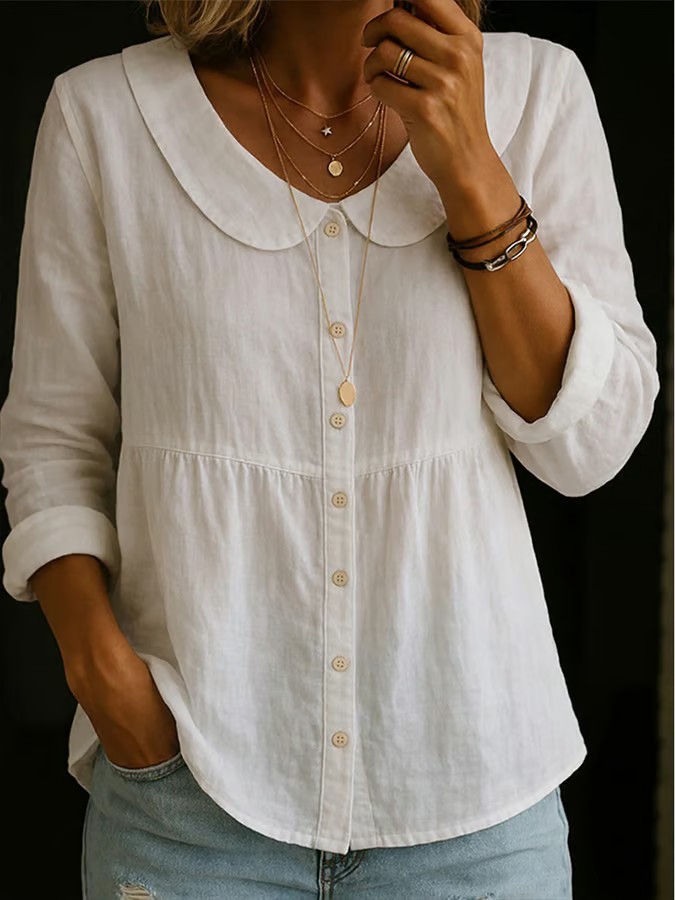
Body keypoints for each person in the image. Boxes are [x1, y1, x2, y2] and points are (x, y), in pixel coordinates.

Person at [0, 0, 659, 897]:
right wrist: (105, 680)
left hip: (475, 810)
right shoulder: (105, 115)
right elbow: (54, 437)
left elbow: (589, 449)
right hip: (192, 805)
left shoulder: (537, 91)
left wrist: (471, 168)